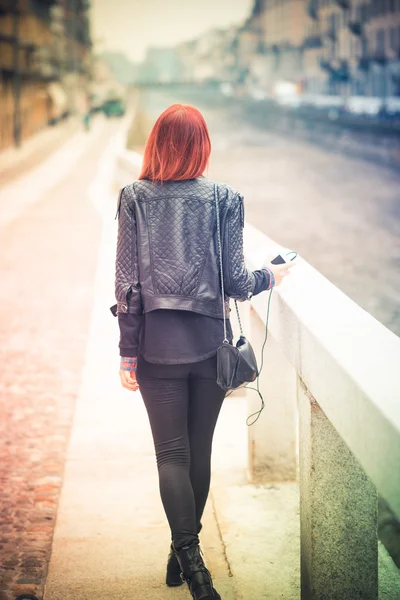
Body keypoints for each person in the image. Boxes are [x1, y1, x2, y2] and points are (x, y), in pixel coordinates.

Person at [114, 104, 295, 600]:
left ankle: (187, 561)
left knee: (170, 455)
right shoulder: (225, 199)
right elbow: (237, 282)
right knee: (199, 453)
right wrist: (270, 276)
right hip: (208, 349)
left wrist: (128, 352)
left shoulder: (133, 197)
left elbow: (126, 285)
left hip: (155, 349)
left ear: (155, 144)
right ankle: (189, 562)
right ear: (202, 146)